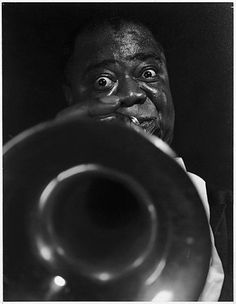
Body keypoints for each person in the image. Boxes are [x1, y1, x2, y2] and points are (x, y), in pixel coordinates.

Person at [56, 17, 230, 301]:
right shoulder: (34, 220)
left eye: (148, 74)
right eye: (103, 81)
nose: (131, 93)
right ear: (71, 98)